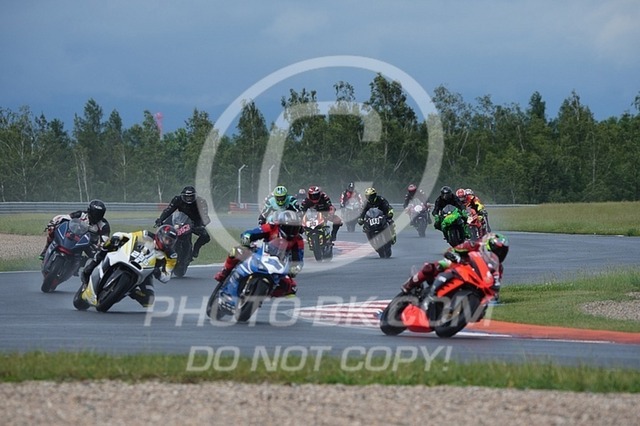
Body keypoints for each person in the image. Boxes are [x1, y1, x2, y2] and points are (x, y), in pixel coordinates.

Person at [214, 211, 304, 307]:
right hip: (260, 254)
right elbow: (251, 233)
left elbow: (298, 258)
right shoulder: (271, 227)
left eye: (295, 228)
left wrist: (295, 268)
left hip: (278, 264)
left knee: (291, 288)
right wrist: (247, 238)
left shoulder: (298, 240)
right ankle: (224, 272)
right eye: (289, 228)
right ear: (281, 225)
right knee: (236, 252)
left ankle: (264, 293)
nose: (291, 231)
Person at [80, 225, 178, 307]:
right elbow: (130, 236)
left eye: (171, 241)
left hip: (146, 272)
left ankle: (130, 290)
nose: (168, 243)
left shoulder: (171, 256)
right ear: (160, 235)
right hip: (129, 256)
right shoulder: (146, 235)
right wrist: (118, 237)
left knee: (149, 301)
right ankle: (93, 264)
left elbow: (167, 277)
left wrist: (159, 273)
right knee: (110, 243)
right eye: (166, 239)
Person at [400, 233, 509, 300]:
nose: (499, 254)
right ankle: (410, 284)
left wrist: (494, 293)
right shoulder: (473, 245)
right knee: (433, 267)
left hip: (472, 281)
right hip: (457, 267)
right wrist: (455, 256)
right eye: (497, 250)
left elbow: (496, 282)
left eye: (502, 252)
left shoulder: (497, 267)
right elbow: (452, 250)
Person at [39, 199, 111, 261]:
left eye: (99, 214)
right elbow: (65, 217)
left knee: (98, 257)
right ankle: (45, 250)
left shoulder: (104, 225)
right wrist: (53, 223)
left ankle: (86, 268)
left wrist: (101, 246)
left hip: (89, 244)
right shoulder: (81, 214)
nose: (96, 216)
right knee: (52, 230)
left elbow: (105, 239)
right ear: (89, 211)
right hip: (75, 236)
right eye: (95, 214)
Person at [155, 186, 211, 259]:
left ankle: (196, 248)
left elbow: (204, 215)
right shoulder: (177, 199)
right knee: (165, 232)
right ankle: (161, 250)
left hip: (195, 223)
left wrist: (201, 224)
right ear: (182, 196)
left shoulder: (201, 202)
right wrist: (160, 219)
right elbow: (169, 210)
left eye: (191, 197)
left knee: (205, 237)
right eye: (187, 197)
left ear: (195, 196)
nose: (189, 199)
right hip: (180, 221)